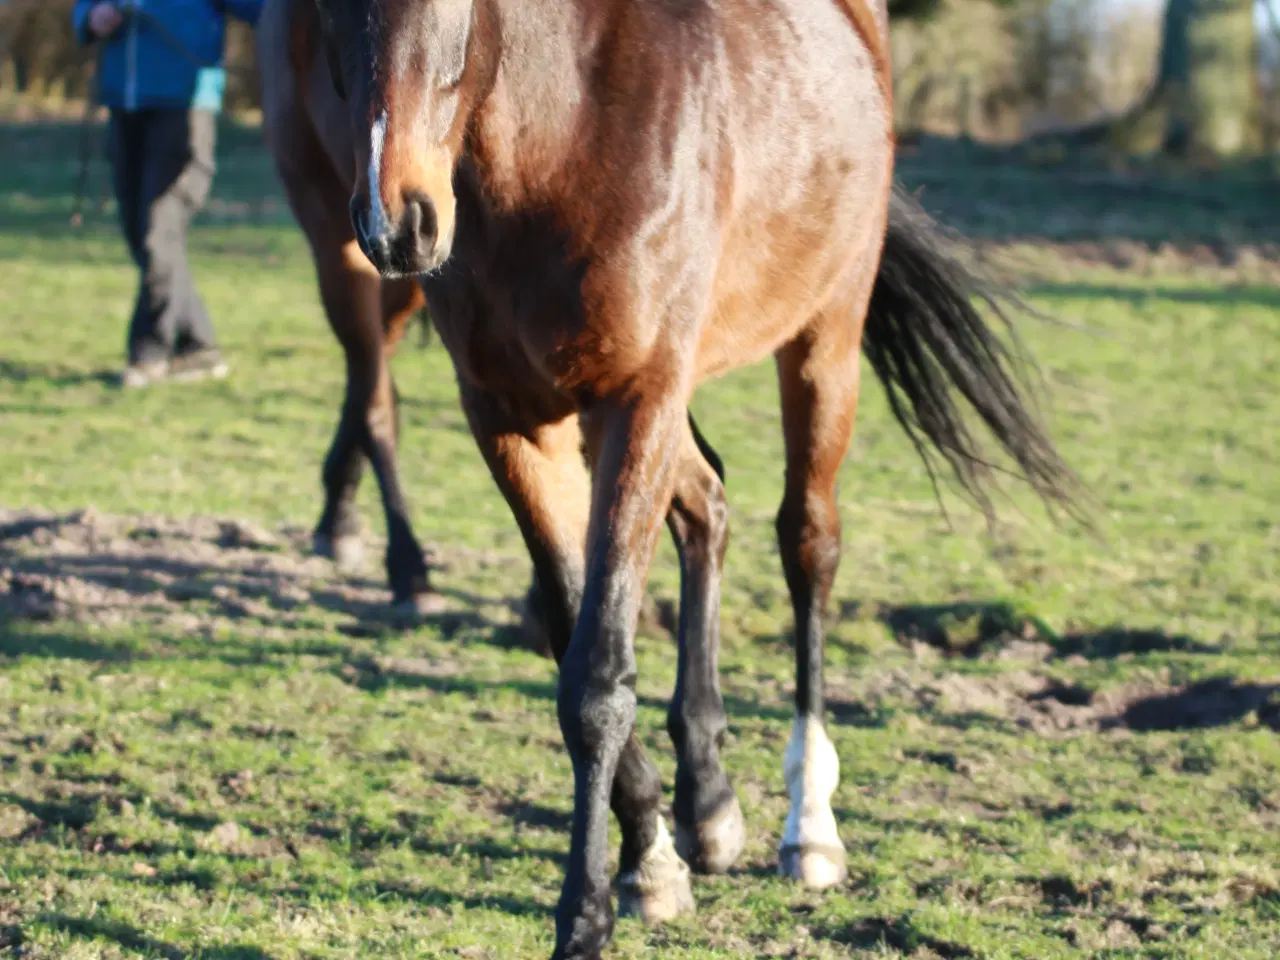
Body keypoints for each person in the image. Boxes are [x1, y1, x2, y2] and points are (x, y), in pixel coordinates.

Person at [72, 0, 264, 387]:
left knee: (157, 230)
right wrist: (91, 18)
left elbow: (263, 9)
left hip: (184, 104)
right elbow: (83, 9)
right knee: (141, 234)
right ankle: (198, 347)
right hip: (123, 101)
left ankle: (150, 352)